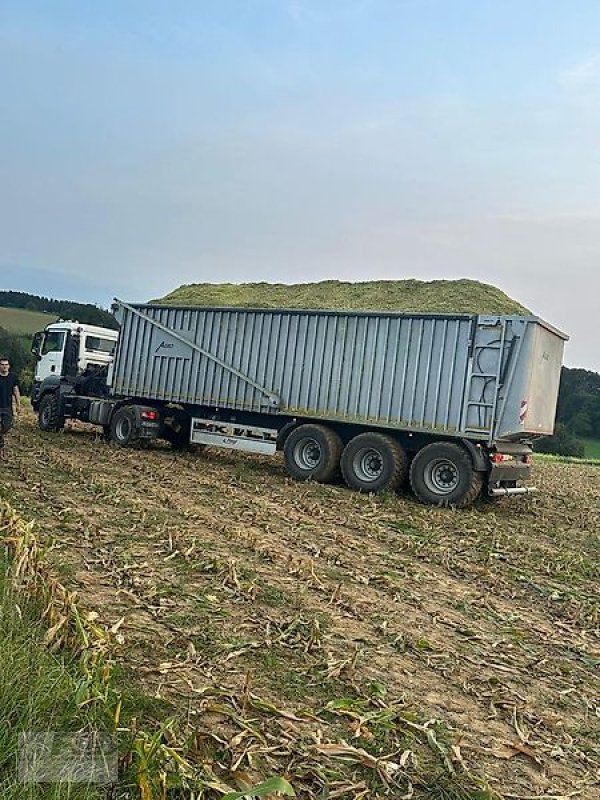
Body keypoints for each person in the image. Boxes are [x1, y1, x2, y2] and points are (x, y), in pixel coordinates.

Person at [0, 357, 21, 460]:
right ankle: (1, 448)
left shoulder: (13, 378)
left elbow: (16, 391)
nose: (4, 366)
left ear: (9, 366)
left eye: (6, 364)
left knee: (7, 426)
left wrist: (18, 405)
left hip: (7, 406)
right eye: (2, 364)